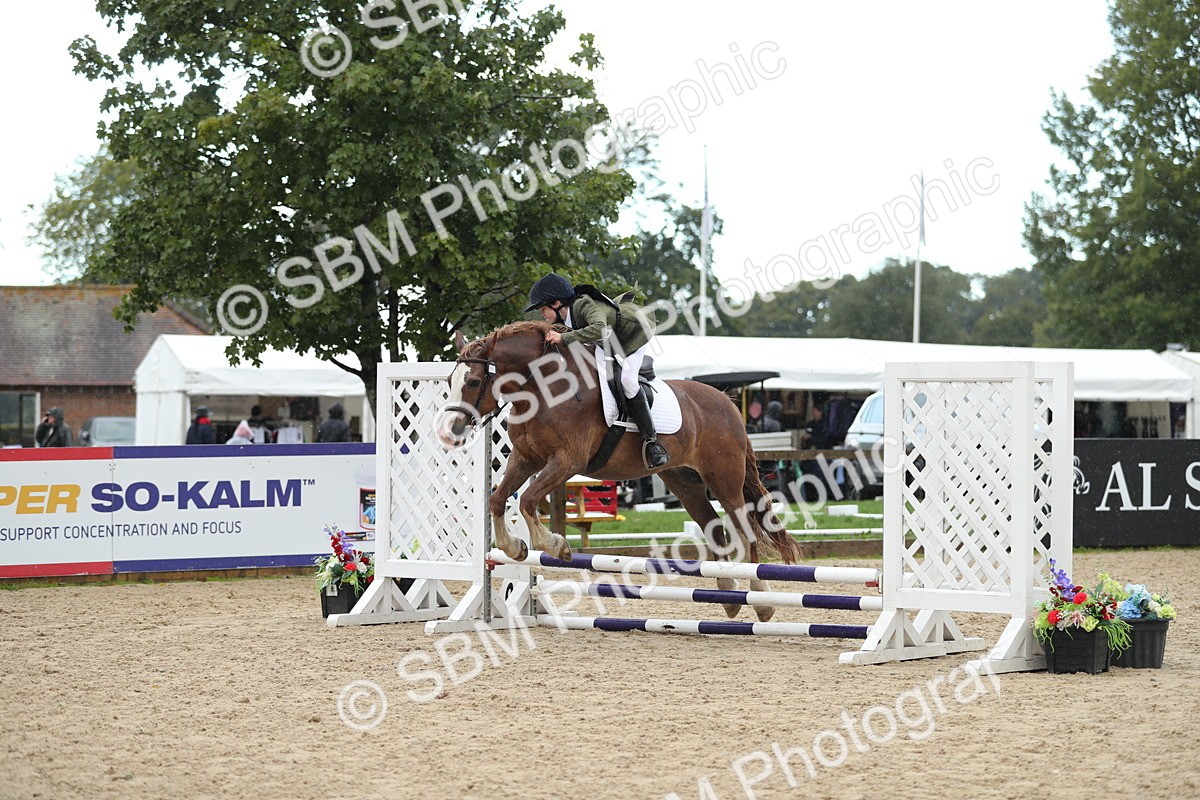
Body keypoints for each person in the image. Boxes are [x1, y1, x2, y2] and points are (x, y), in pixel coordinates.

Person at [525, 272, 669, 468]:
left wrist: (564, 338)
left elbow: (599, 328)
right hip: (608, 341)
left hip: (633, 336)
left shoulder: (582, 304)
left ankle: (653, 443)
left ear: (556, 303)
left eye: (543, 309)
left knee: (627, 380)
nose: (542, 314)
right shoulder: (563, 320)